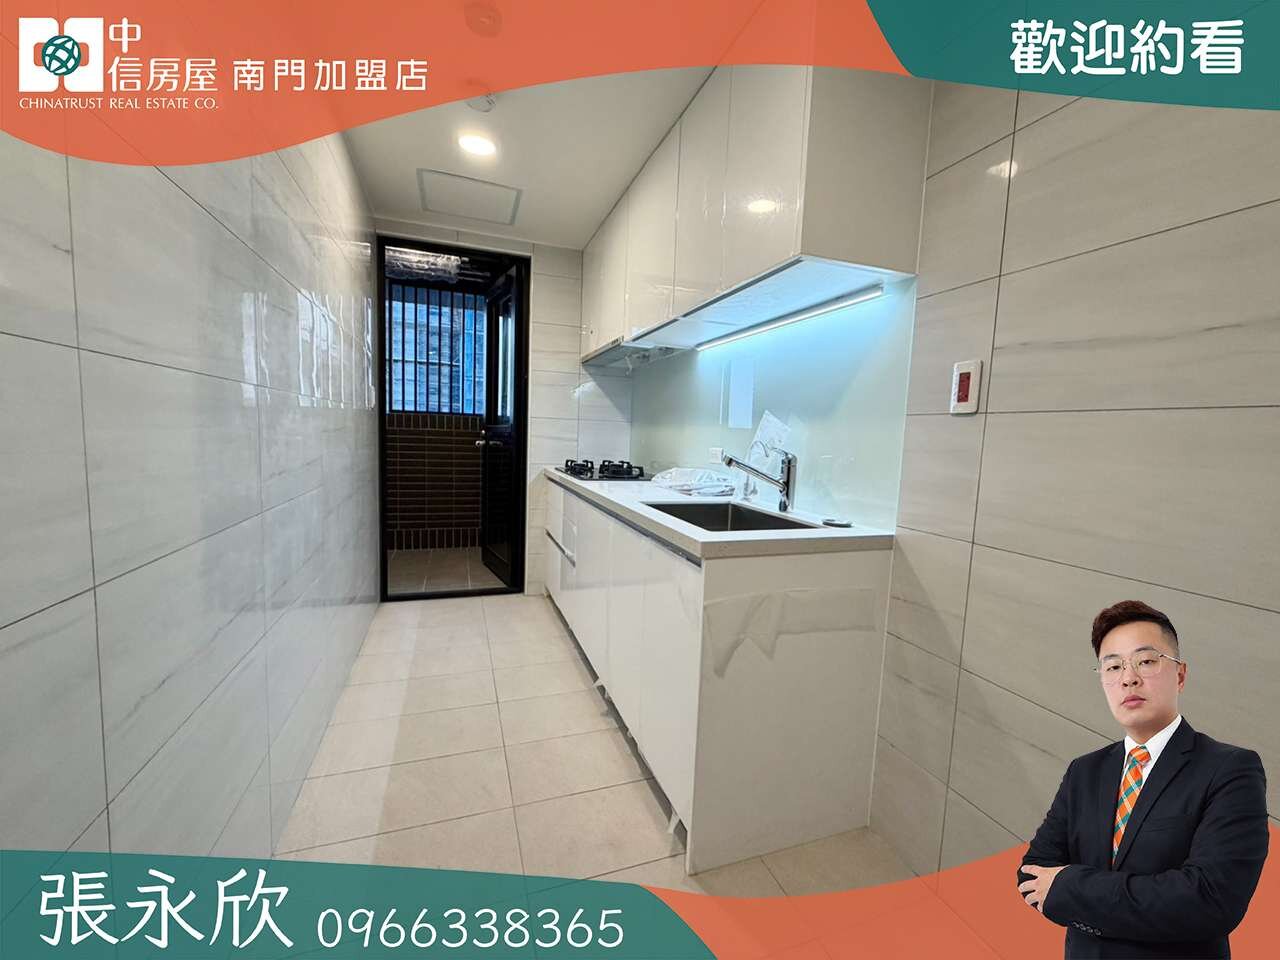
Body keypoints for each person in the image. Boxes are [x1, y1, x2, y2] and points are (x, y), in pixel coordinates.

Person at [1017, 600, 1268, 959]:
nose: (1128, 678)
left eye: (1146, 661)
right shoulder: (1084, 772)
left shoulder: (1229, 770)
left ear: (1180, 674)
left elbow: (1211, 900)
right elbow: (1032, 874)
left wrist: (1070, 886)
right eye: (1113, 666)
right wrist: (1146, 898)